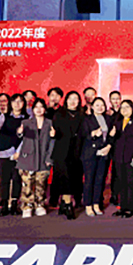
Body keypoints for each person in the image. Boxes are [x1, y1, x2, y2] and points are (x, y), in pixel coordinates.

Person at [13, 98, 55, 218]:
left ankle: (39, 205)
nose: (39, 109)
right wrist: (20, 132)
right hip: (28, 157)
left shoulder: (50, 123)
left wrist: (49, 158)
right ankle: (27, 206)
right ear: (32, 109)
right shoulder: (26, 122)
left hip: (43, 157)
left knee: (41, 184)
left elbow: (52, 142)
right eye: (36, 107)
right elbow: (20, 136)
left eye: (41, 107)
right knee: (27, 184)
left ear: (45, 109)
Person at [0, 93, 26, 216]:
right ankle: (5, 205)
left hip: (19, 153)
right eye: (14, 101)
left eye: (20, 101)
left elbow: (27, 138)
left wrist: (19, 152)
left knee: (17, 179)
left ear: (23, 104)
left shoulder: (27, 118)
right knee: (4, 179)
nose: (17, 104)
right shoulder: (4, 116)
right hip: (3, 152)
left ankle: (14, 204)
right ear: (10, 104)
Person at [79, 97, 114, 217]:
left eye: (102, 105)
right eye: (97, 105)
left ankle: (96, 204)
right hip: (90, 153)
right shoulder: (87, 119)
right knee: (89, 180)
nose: (100, 107)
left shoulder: (108, 119)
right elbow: (83, 136)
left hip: (104, 153)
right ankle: (88, 205)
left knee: (100, 180)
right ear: (92, 107)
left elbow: (112, 135)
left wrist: (108, 146)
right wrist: (93, 134)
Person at [52, 91, 84, 219]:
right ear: (66, 100)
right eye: (70, 98)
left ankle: (63, 205)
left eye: (76, 99)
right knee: (64, 177)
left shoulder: (82, 115)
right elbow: (55, 131)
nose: (73, 101)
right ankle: (68, 204)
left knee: (74, 178)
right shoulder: (59, 114)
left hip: (77, 151)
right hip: (61, 151)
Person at [111, 100, 133, 218]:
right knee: (122, 182)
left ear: (132, 108)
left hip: (131, 156)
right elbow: (115, 139)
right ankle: (123, 207)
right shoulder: (118, 121)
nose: (124, 110)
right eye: (122, 107)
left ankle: (131, 208)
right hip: (119, 156)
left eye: (127, 107)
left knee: (131, 182)